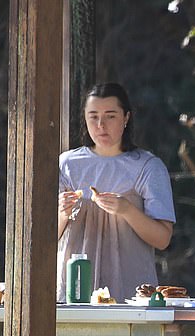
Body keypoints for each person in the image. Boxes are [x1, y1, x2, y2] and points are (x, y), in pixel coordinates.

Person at [57, 82, 176, 303]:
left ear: (126, 118)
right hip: (72, 295)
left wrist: (127, 210)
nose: (101, 125)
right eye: (93, 116)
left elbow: (162, 239)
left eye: (110, 116)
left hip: (130, 297)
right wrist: (63, 213)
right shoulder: (67, 164)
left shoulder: (148, 166)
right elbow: (43, 238)